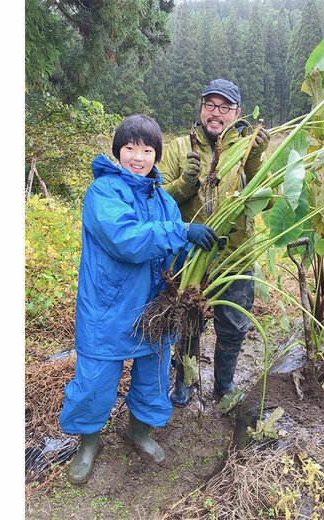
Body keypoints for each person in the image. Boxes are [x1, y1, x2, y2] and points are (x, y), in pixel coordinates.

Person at [58, 114, 220, 485]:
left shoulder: (163, 199)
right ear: (118, 152)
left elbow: (171, 253)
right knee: (96, 380)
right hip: (108, 307)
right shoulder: (102, 193)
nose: (138, 156)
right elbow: (126, 238)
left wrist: (199, 252)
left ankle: (139, 431)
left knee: (153, 376)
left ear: (156, 156)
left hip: (154, 307)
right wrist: (181, 230)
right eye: (130, 147)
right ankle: (89, 442)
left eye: (147, 150)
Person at [159, 79, 270, 406]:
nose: (216, 113)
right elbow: (158, 199)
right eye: (210, 105)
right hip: (189, 257)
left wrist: (253, 161)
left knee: (233, 326)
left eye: (225, 107)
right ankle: (185, 380)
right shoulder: (180, 148)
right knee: (187, 321)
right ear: (201, 108)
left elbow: (267, 199)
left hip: (235, 255)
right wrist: (186, 182)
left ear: (237, 113)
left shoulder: (249, 148)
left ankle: (223, 384)